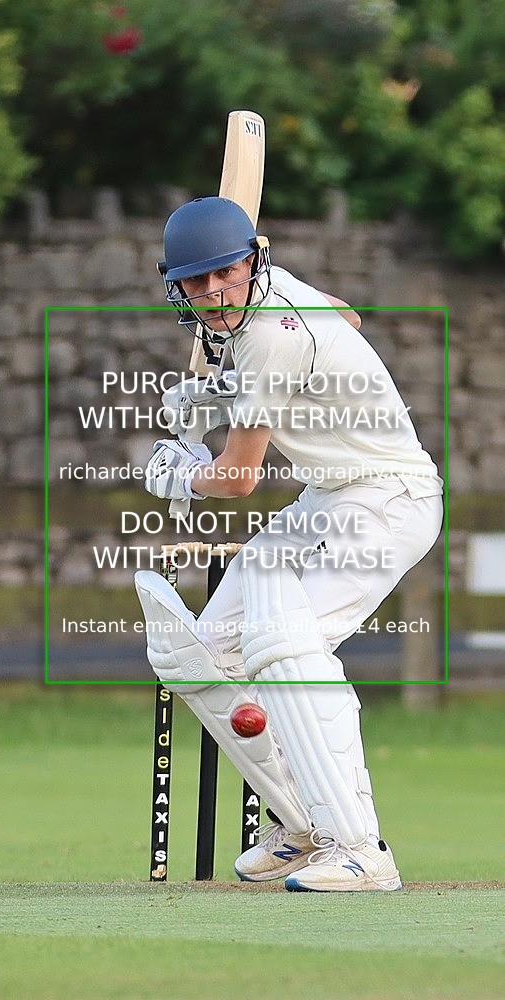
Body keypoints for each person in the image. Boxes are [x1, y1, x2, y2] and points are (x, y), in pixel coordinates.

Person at [135, 197, 443, 892]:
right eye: (198, 282)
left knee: (286, 646)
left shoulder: (267, 333)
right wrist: (221, 390)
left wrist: (182, 472)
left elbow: (238, 478)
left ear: (253, 261)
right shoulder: (275, 299)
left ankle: (362, 850)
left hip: (386, 499)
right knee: (206, 654)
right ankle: (302, 825)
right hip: (328, 497)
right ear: (176, 287)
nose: (215, 293)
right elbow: (348, 317)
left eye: (228, 273)